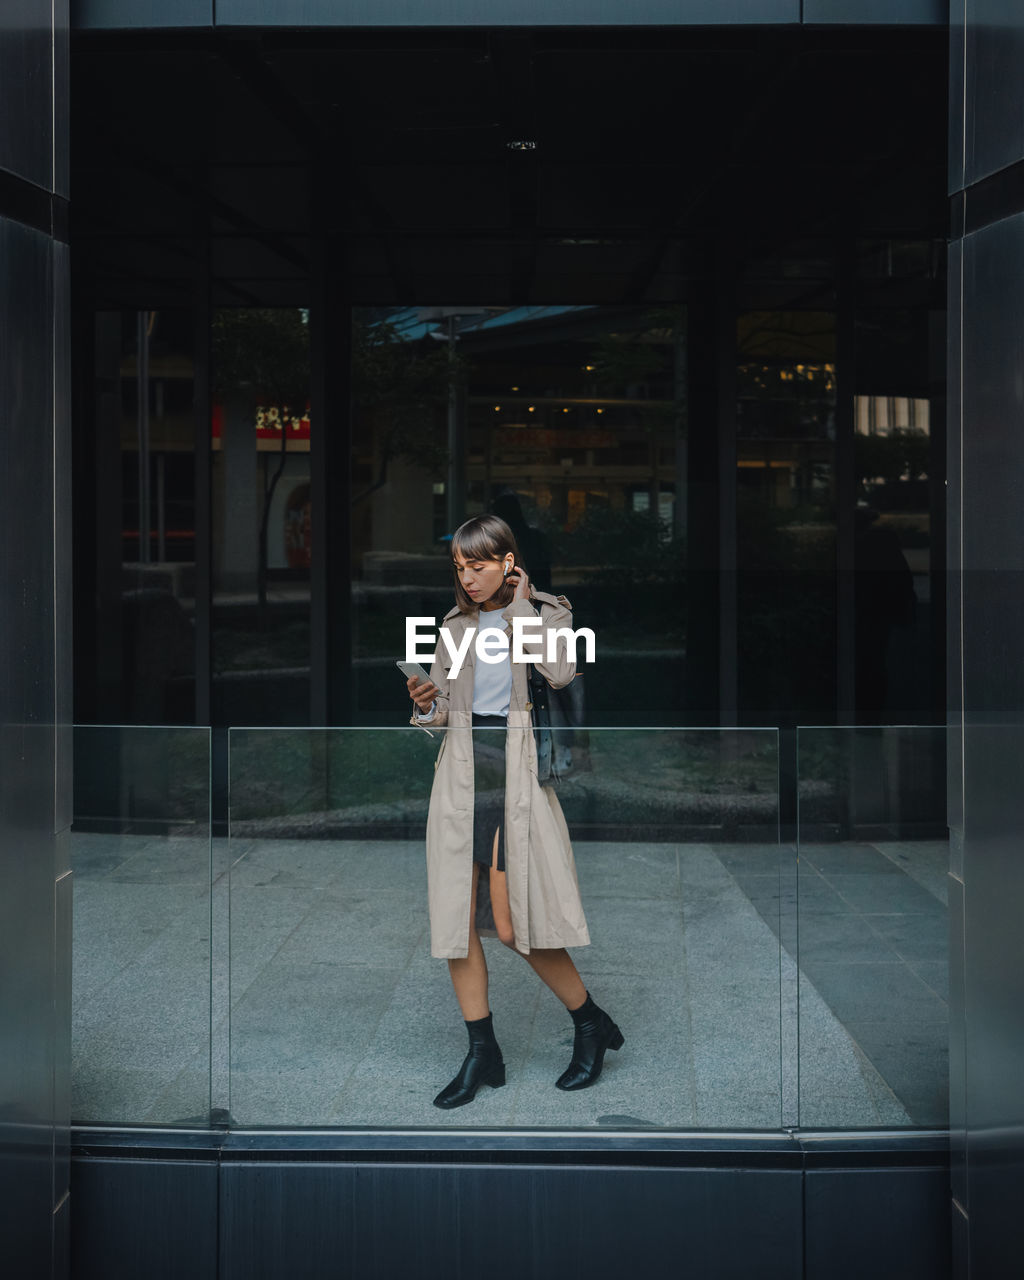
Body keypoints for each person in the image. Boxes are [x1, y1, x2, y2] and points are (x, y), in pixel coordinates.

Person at [406, 513, 623, 1109]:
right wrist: (424, 703)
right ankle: (483, 1053)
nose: (467, 580)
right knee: (456, 922)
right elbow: (444, 715)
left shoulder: (549, 611)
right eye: (459, 568)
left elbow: (557, 672)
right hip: (459, 772)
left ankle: (589, 1022)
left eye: (477, 567)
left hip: (515, 774)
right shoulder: (455, 623)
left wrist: (521, 608)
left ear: (507, 561)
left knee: (509, 924)